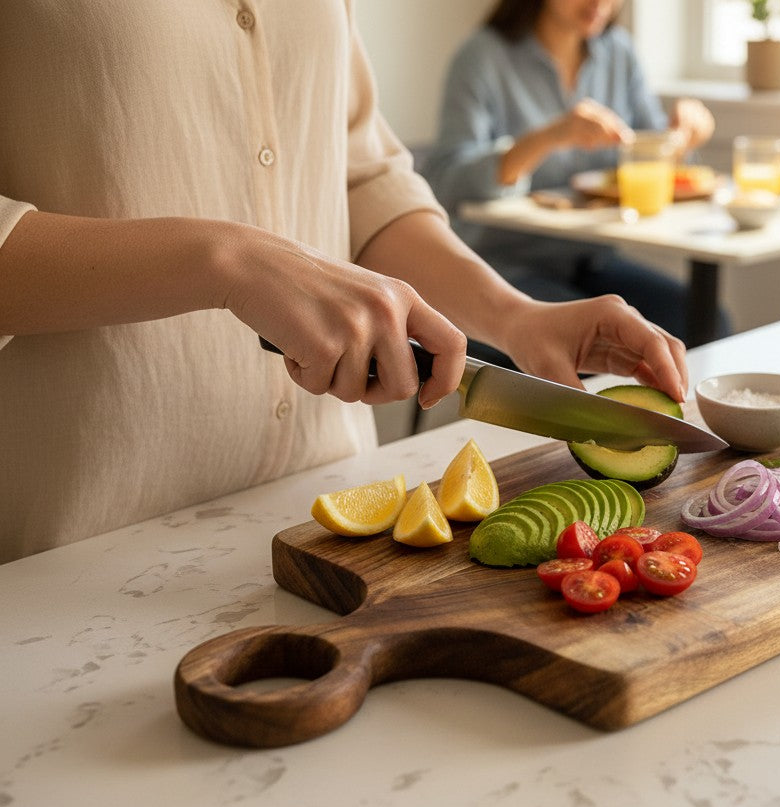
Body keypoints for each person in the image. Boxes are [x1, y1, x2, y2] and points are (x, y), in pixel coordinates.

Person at [0, 2, 687, 564]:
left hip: (334, 512)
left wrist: (515, 317)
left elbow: (360, 176)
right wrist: (228, 260)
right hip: (78, 541)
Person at [421, 0, 727, 360]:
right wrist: (548, 137)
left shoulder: (618, 53)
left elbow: (650, 152)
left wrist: (682, 137)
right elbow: (445, 181)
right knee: (591, 343)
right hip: (504, 268)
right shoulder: (483, 57)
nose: (602, 4)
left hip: (592, 259)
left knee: (703, 321)